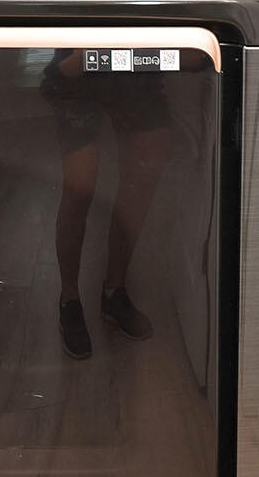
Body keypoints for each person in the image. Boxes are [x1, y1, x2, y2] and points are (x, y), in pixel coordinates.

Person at [40, 49, 175, 359]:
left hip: (133, 59)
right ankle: (69, 300)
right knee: (80, 186)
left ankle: (114, 293)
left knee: (141, 177)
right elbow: (72, 65)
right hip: (81, 63)